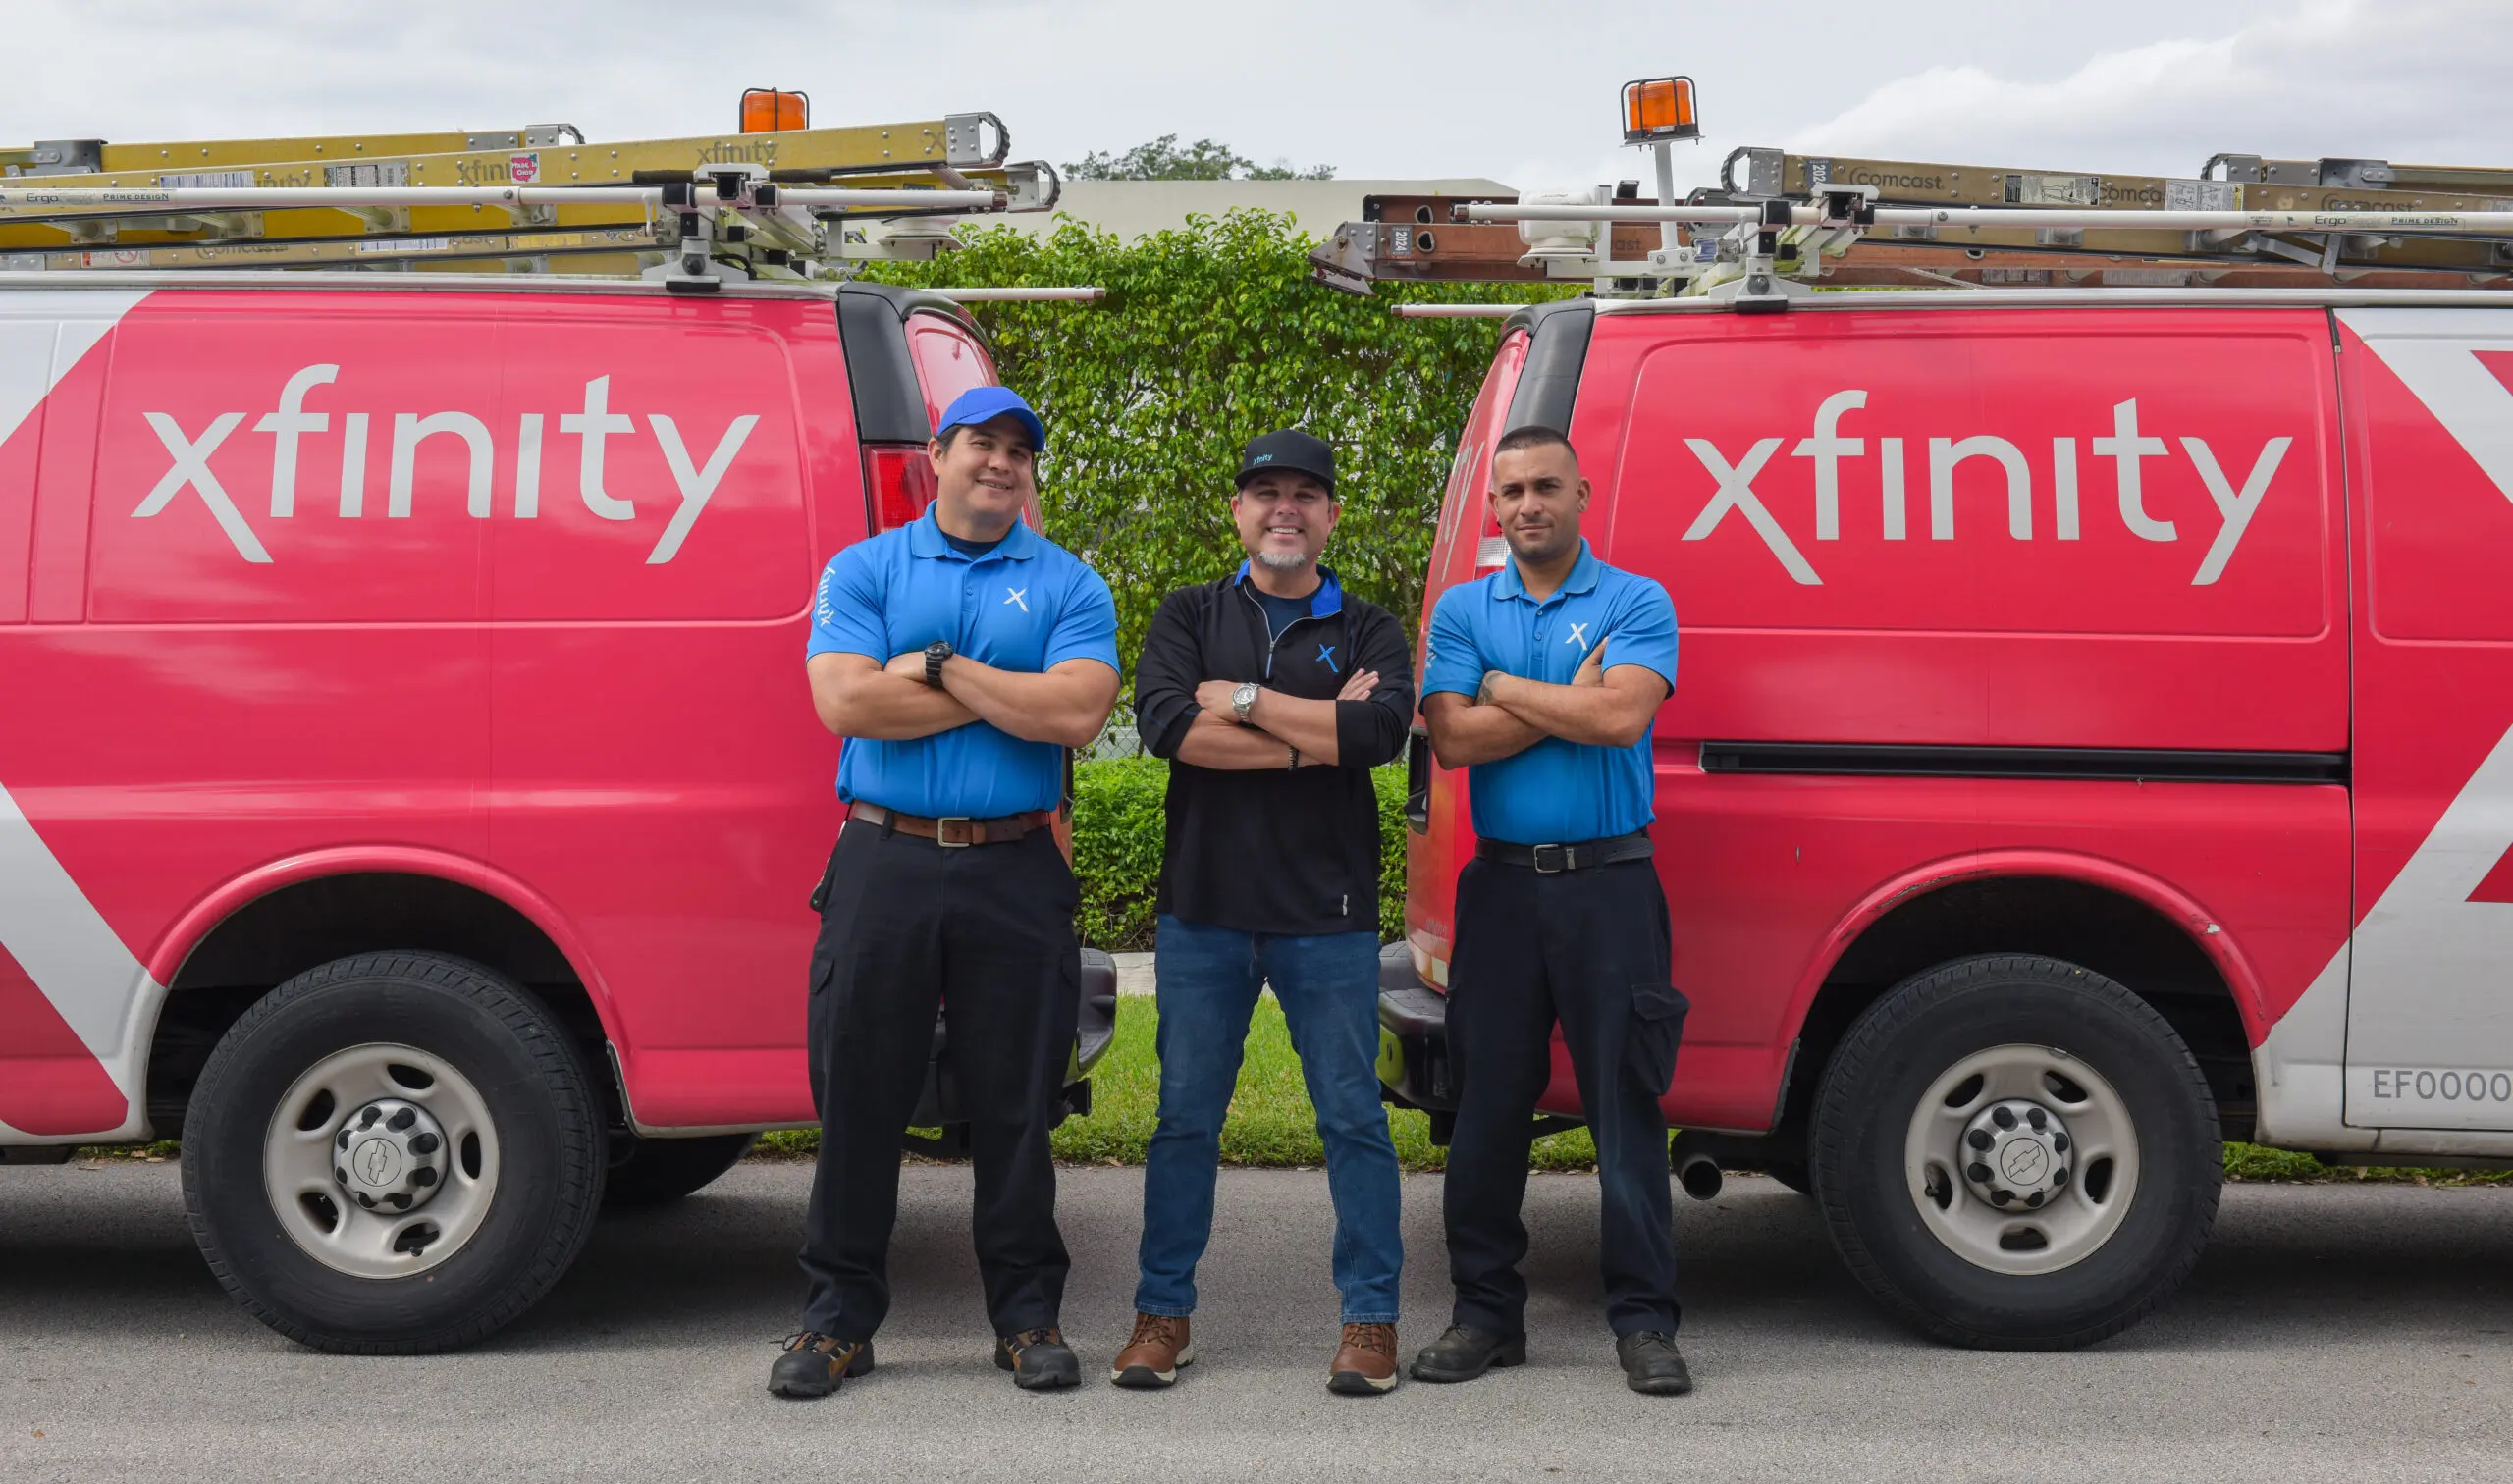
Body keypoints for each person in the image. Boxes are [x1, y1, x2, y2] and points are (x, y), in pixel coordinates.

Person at [770, 386, 1121, 1399]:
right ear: (939, 453)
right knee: (860, 1097)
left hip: (1015, 867)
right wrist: (1001, 692)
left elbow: (1078, 713)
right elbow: (844, 700)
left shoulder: (1069, 584)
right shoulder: (865, 567)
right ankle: (836, 1322)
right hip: (883, 859)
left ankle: (1025, 1319)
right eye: (982, 444)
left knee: (1014, 1102)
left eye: (1019, 448)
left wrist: (933, 669)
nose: (1000, 462)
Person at [1117, 429, 1417, 1395]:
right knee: (1183, 1123)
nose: (1283, 509)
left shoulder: (1368, 625)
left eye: (1304, 494)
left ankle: (1369, 1323)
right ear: (1237, 512)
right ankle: (1162, 1316)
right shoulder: (1187, 612)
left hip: (1325, 915)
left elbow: (1375, 733)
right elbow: (1171, 727)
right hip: (1203, 911)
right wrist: (1310, 732)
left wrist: (1241, 698)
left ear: (1331, 514)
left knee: (1352, 1120)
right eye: (1264, 494)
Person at [1408, 425, 1692, 1397]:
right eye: (1511, 491)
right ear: (1494, 507)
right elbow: (1450, 742)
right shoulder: (1460, 608)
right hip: (1500, 891)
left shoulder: (1634, 599)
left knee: (1624, 1108)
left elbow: (1619, 717)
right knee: (1486, 1107)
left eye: (1544, 488)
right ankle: (1485, 1314)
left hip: (1611, 886)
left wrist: (1502, 691)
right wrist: (1555, 699)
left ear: (1581, 494)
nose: (1526, 505)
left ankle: (1645, 1322)